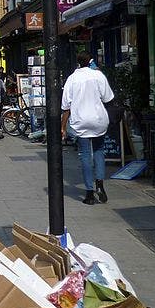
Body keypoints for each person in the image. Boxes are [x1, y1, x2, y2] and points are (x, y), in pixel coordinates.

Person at [60, 51, 115, 205]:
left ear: (78, 62)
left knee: (85, 154)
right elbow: (108, 97)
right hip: (98, 119)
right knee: (99, 151)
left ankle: (89, 192)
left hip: (81, 120)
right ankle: (100, 184)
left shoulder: (72, 78)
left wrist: (63, 127)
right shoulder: (98, 76)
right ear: (90, 61)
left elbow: (66, 106)